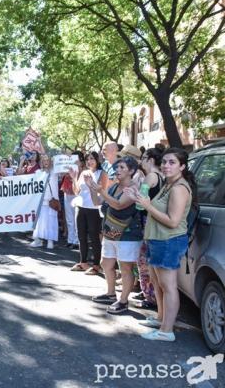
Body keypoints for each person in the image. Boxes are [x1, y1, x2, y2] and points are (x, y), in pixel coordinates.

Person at [132, 148, 194, 342]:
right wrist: (138, 196)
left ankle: (166, 331)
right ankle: (161, 319)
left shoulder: (179, 188)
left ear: (182, 166)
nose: (167, 165)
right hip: (158, 240)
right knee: (159, 283)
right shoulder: (169, 184)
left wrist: (148, 205)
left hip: (169, 240)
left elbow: (173, 221)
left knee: (168, 286)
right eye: (165, 162)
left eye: (172, 162)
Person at [87, 156, 143, 314]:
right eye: (117, 167)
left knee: (125, 268)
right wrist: (92, 188)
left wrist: (101, 191)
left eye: (122, 168)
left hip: (128, 234)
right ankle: (111, 293)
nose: (117, 170)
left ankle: (123, 301)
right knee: (106, 263)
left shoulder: (134, 188)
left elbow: (118, 205)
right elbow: (98, 202)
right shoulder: (113, 187)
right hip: (111, 232)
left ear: (131, 171)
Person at [133, 147, 164, 309]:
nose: (141, 161)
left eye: (143, 158)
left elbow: (140, 203)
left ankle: (149, 295)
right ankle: (151, 293)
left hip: (147, 221)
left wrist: (134, 194)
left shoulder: (150, 176)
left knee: (144, 261)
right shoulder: (163, 176)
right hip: (158, 222)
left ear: (151, 160)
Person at [69, 152, 107, 275]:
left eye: (92, 159)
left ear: (97, 160)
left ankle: (97, 265)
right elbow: (76, 191)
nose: (89, 161)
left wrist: (91, 183)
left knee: (94, 236)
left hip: (94, 208)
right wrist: (74, 178)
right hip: (80, 206)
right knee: (81, 235)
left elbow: (102, 190)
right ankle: (83, 262)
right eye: (87, 159)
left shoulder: (102, 173)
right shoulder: (84, 172)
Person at [30, 155, 59, 249]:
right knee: (40, 221)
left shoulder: (55, 172)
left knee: (51, 220)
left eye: (47, 160)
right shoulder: (38, 172)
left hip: (52, 201)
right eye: (43, 160)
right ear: (41, 162)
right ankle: (38, 239)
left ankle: (50, 241)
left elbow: (64, 171)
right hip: (41, 201)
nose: (45, 162)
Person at [61, 151, 84, 249]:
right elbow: (62, 174)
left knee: (76, 218)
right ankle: (70, 240)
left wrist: (78, 167)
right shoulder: (68, 165)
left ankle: (77, 241)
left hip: (77, 192)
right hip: (67, 191)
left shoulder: (83, 167)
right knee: (69, 217)